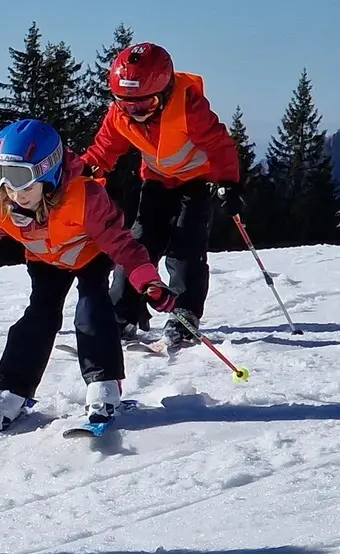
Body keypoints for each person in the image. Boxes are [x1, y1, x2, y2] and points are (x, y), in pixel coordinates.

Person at [0, 120, 178, 434]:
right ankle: (13, 390)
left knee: (92, 310)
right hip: (45, 262)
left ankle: (103, 384)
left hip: (89, 257)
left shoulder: (85, 198)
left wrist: (148, 282)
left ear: (50, 174)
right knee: (39, 317)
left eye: (26, 185)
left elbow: (123, 245)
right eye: (6, 183)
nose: (16, 195)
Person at [75, 42, 241, 348]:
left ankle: (184, 314)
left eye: (145, 105)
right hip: (156, 180)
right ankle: (122, 313)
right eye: (126, 105)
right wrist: (85, 172)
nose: (135, 113)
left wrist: (228, 182)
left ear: (164, 93)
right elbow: (104, 150)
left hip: (196, 181)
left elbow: (219, 144)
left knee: (186, 245)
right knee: (137, 243)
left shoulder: (189, 107)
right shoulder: (120, 115)